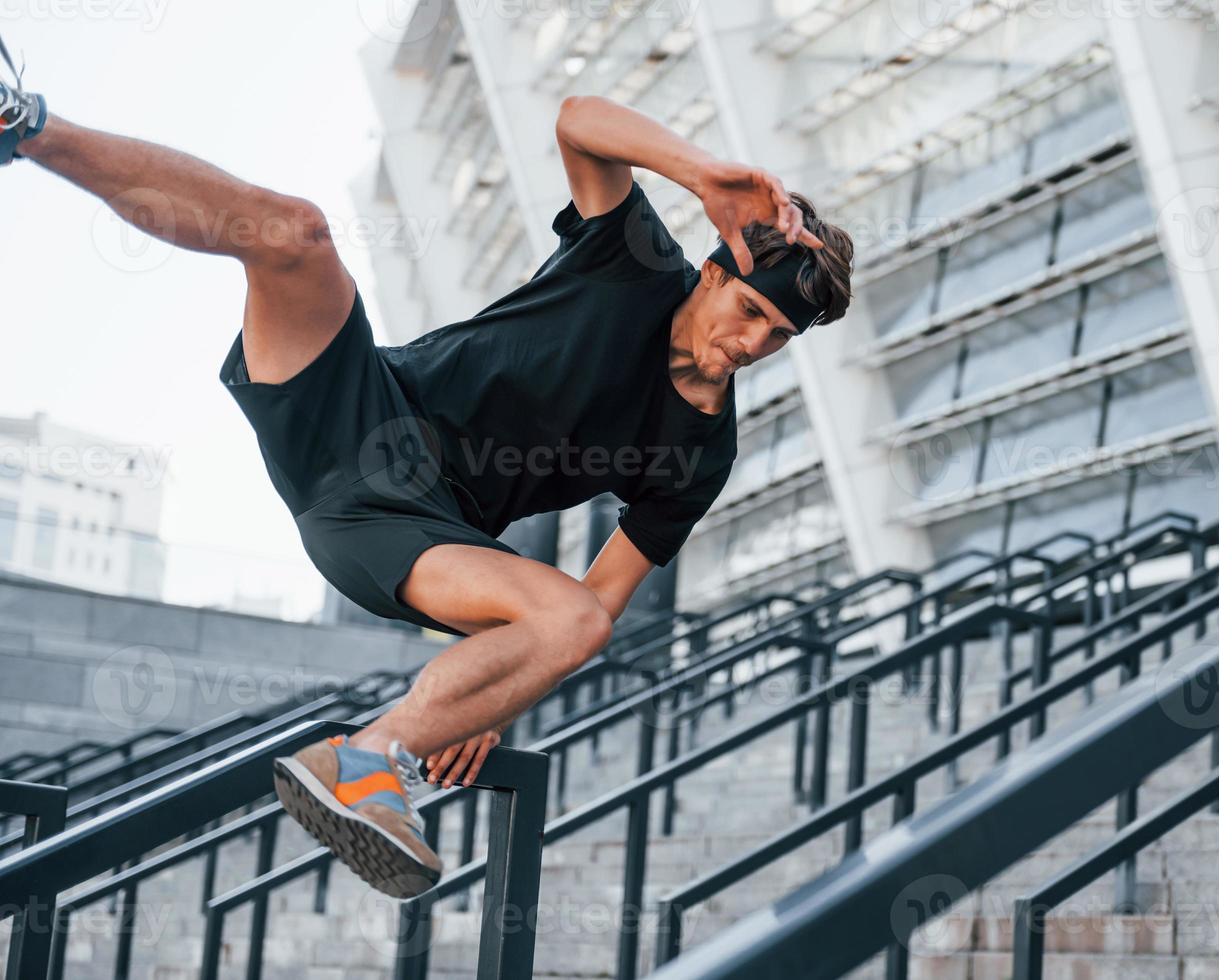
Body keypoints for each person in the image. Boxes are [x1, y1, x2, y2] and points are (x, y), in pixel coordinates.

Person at [1, 40, 854, 898]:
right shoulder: (633, 262)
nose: (749, 344)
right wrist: (702, 170)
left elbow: (595, 605)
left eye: (776, 337)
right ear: (712, 273)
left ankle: (373, 762)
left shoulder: (702, 452)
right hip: (361, 407)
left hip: (413, 534)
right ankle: (24, 124)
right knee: (293, 233)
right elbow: (578, 122)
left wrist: (489, 699)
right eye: (747, 311)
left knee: (578, 624)